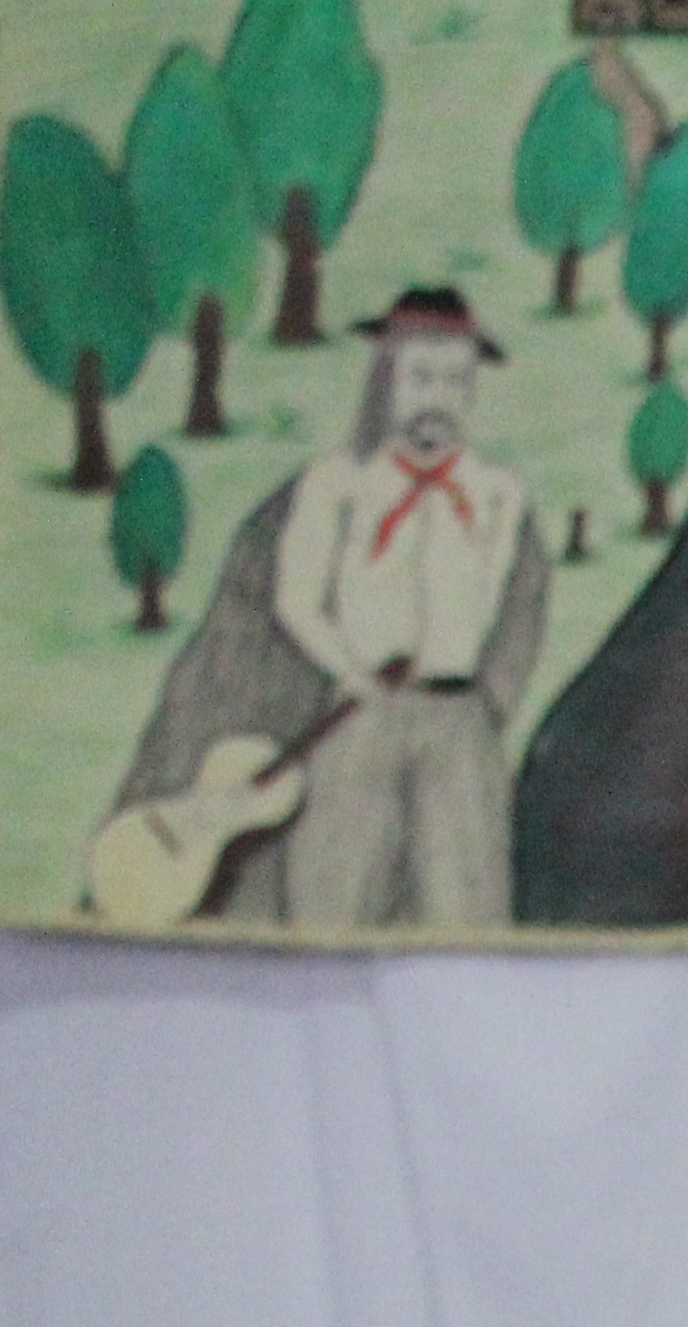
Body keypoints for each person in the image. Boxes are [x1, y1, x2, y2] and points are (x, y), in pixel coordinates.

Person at [206, 287, 551, 932]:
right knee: (333, 903)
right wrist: (351, 673)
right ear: (385, 378)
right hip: (359, 716)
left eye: (456, 382)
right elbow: (295, 599)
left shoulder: (498, 494)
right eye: (420, 379)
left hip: (458, 724)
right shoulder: (338, 484)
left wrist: (486, 706)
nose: (437, 399)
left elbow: (506, 610)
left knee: (467, 910)